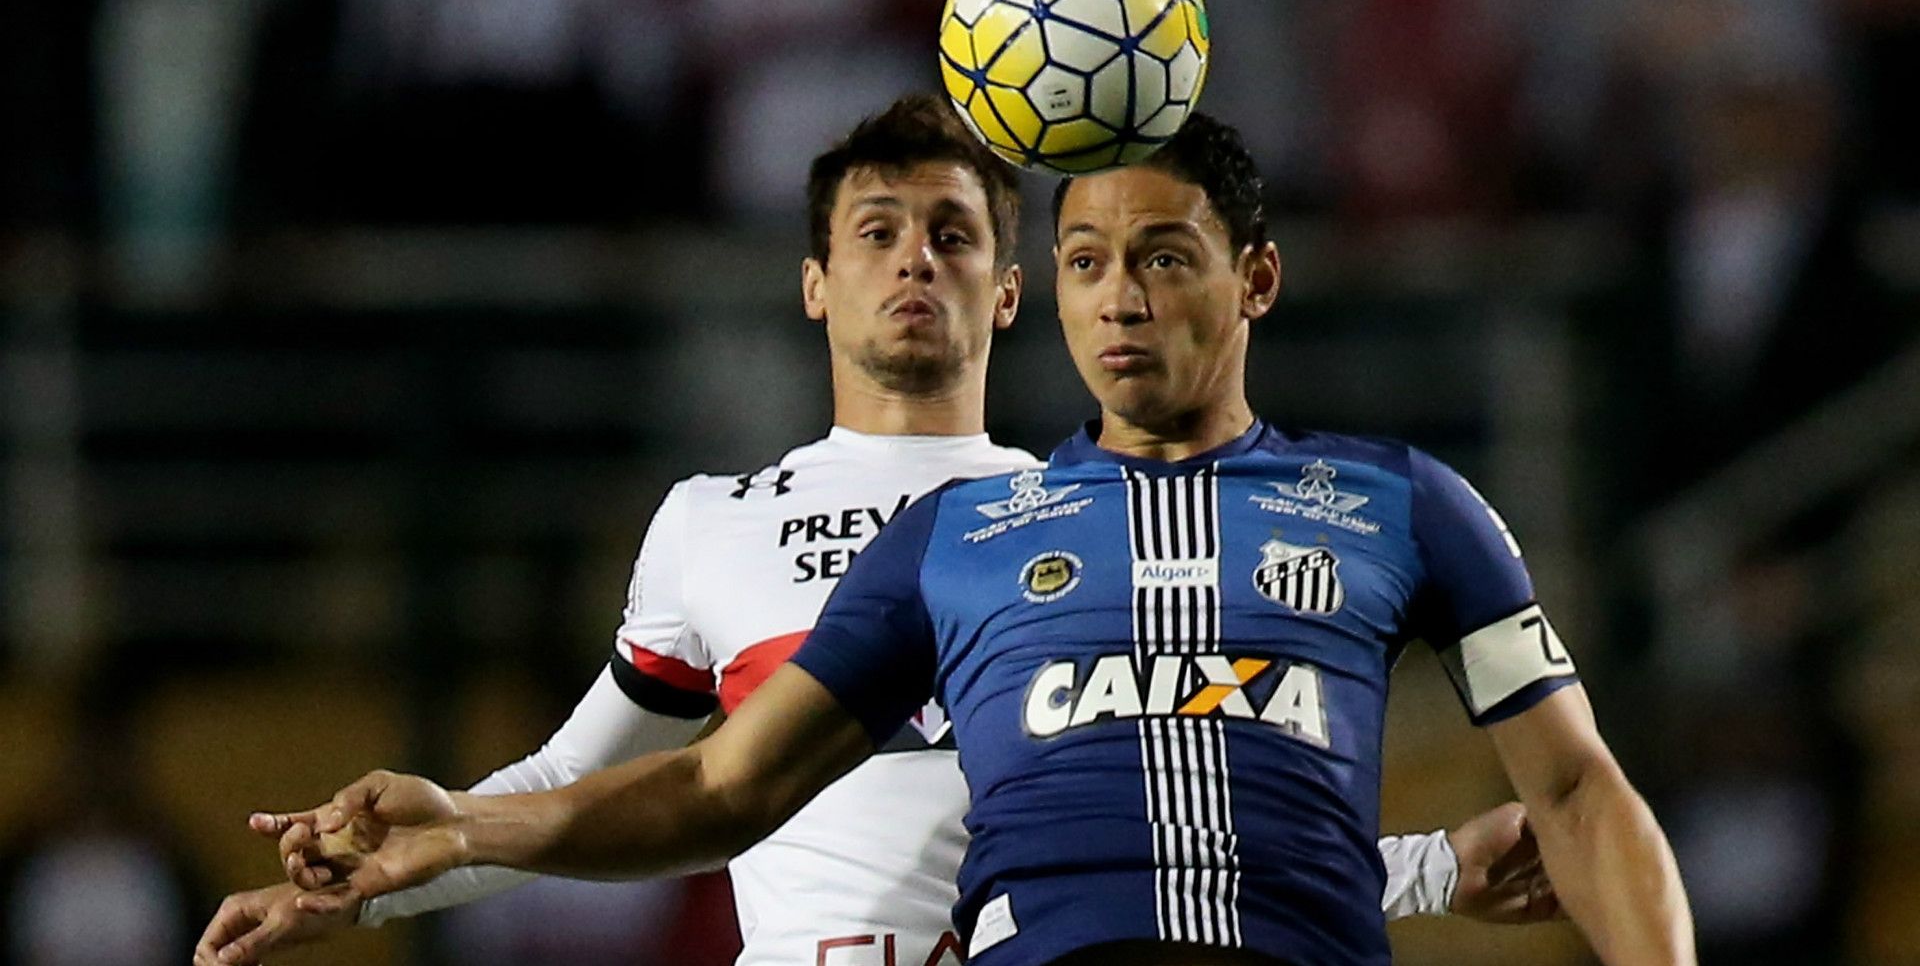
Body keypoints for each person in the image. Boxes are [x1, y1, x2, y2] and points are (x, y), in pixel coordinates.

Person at [200, 100, 1573, 966]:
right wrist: (375, 889)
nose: (917, 258)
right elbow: (586, 785)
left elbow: (1184, 849)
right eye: (877, 232)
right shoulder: (711, 524)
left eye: (954, 234)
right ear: (814, 283)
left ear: (1016, 292)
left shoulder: (1089, 515)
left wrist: (1428, 869)